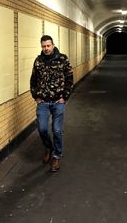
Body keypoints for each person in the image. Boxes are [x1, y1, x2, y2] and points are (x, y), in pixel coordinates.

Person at [30, 35, 73, 172]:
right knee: (42, 129)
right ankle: (48, 147)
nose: (46, 48)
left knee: (57, 130)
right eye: (43, 46)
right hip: (43, 101)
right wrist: (36, 96)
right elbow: (33, 80)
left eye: (48, 46)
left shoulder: (62, 59)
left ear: (53, 45)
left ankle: (56, 156)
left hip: (58, 101)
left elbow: (69, 79)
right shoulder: (38, 61)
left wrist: (64, 97)